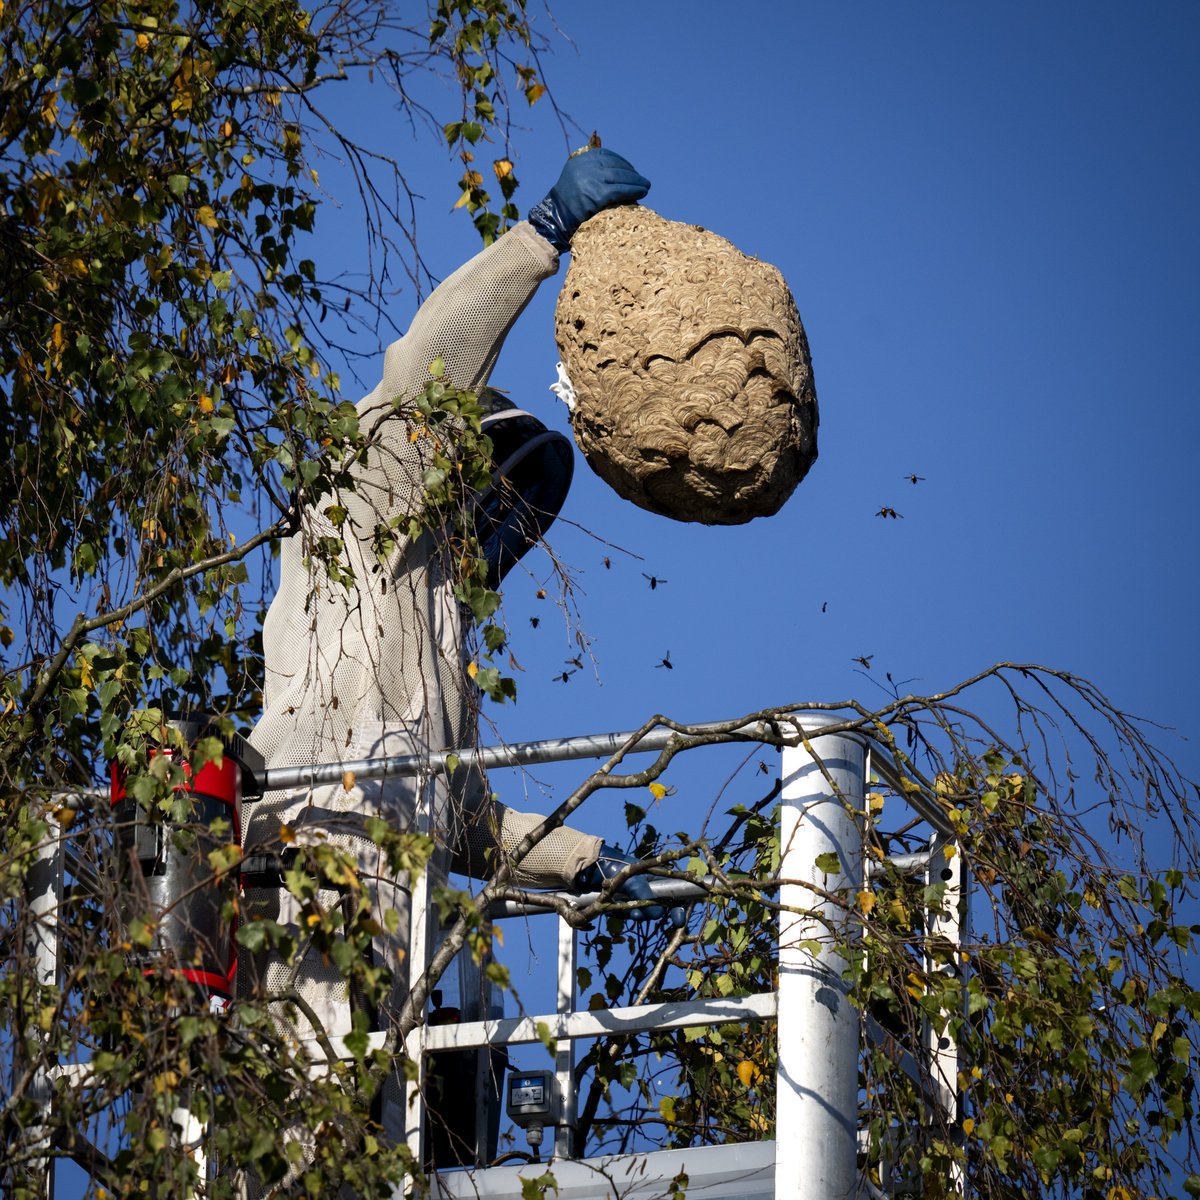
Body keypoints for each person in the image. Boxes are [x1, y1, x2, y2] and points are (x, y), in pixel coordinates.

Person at [238, 148, 666, 1158]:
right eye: (500, 494)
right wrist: (540, 236)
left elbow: (463, 818)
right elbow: (426, 365)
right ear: (455, 463)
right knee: (302, 1138)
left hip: (392, 920)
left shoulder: (444, 636)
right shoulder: (367, 513)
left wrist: (588, 864)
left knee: (386, 1138)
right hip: (309, 873)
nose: (508, 528)